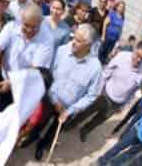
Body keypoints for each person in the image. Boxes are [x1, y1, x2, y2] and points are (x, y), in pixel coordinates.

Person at [35, 24, 102, 160]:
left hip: (67, 109)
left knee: (54, 130)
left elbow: (92, 95)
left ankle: (43, 144)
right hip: (50, 98)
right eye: (73, 37)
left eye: (78, 41)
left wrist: (70, 110)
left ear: (88, 44)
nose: (73, 42)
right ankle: (33, 136)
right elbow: (51, 75)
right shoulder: (61, 51)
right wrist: (54, 100)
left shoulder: (95, 68)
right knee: (40, 121)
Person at [67, 40, 142, 142]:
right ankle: (71, 124)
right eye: (138, 55)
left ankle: (85, 130)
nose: (139, 59)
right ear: (135, 49)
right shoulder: (122, 56)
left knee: (99, 120)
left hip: (116, 104)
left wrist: (124, 105)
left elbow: (133, 91)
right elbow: (106, 72)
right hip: (104, 94)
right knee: (87, 111)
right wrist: (98, 89)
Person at [0, 5, 54, 111]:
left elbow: (35, 69)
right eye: (26, 25)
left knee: (11, 110)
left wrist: (13, 82)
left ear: (41, 23)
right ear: (21, 19)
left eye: (34, 27)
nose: (29, 30)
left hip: (24, 83)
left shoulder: (47, 39)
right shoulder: (12, 26)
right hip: (4, 74)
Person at [97, 85, 142, 165]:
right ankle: (101, 161)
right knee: (120, 146)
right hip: (140, 126)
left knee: (129, 155)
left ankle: (111, 164)